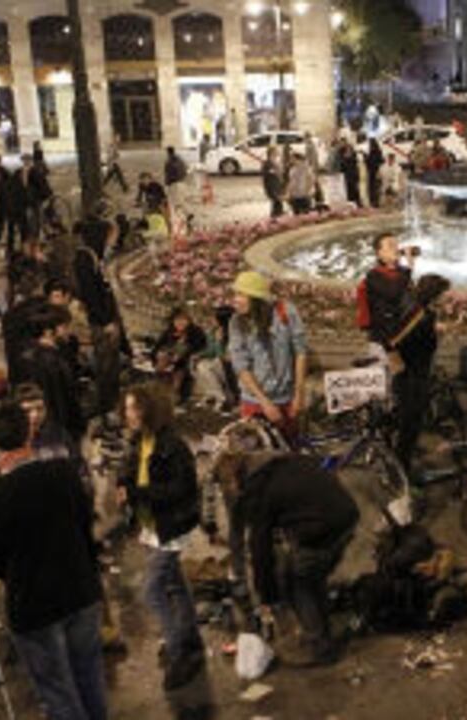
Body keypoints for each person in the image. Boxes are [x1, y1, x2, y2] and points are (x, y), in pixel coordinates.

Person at [0, 402, 107, 720]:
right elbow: (84, 521)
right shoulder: (63, 473)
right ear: (29, 433)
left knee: (57, 691)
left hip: (33, 604)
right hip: (81, 590)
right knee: (89, 677)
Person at [215, 447, 359, 667]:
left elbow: (259, 547)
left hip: (324, 529)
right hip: (347, 515)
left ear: (235, 478)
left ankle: (321, 649)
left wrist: (267, 595)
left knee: (295, 583)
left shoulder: (259, 491)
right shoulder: (284, 460)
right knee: (313, 577)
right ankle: (321, 629)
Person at [115, 383, 205, 691]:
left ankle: (179, 652)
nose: (128, 415)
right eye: (126, 408)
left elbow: (182, 490)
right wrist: (123, 483)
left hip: (172, 526)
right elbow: (135, 473)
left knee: (152, 590)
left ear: (149, 410)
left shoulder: (172, 445)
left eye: (134, 408)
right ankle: (189, 636)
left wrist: (137, 492)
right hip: (153, 525)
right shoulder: (142, 441)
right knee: (175, 583)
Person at [227, 271, 309, 437]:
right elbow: (241, 365)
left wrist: (299, 394)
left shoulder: (286, 312)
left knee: (290, 450)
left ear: (256, 299)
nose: (235, 299)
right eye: (235, 294)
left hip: (287, 397)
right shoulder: (236, 322)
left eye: (241, 294)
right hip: (254, 400)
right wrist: (264, 403)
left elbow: (301, 352)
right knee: (256, 455)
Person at [391, 275, 452, 473]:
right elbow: (396, 341)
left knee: (409, 424)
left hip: (413, 375)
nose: (445, 298)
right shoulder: (420, 316)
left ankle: (401, 461)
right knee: (409, 426)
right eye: (443, 294)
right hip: (412, 378)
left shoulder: (420, 311)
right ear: (433, 295)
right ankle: (402, 473)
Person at [73, 203, 124, 419]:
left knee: (111, 364)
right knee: (105, 366)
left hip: (104, 319)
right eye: (111, 236)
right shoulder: (86, 259)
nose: (113, 241)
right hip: (99, 322)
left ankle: (111, 404)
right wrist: (106, 322)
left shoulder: (95, 256)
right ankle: (105, 408)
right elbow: (91, 295)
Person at [12, 305, 85, 442]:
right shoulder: (50, 363)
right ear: (48, 332)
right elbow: (59, 402)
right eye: (64, 327)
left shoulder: (33, 355)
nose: (68, 331)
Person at [357, 233, 416, 355]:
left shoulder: (403, 272)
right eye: (390, 245)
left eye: (396, 244)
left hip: (404, 333)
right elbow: (393, 294)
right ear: (379, 253)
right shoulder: (373, 275)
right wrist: (410, 268)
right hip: (384, 337)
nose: (396, 248)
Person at [152, 307, 209, 402]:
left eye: (183, 320)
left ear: (188, 321)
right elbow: (156, 348)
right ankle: (159, 389)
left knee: (179, 368)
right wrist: (160, 354)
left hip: (184, 360)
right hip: (168, 358)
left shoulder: (195, 332)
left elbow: (197, 347)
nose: (180, 323)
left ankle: (175, 393)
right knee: (163, 359)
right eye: (177, 320)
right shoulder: (169, 332)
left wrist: (179, 356)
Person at [262, 149, 285, 218]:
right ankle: (275, 216)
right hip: (272, 186)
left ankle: (278, 214)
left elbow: (279, 172)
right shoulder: (267, 163)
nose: (277, 154)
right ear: (271, 154)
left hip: (277, 185)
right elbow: (266, 174)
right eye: (275, 153)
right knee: (276, 201)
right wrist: (274, 171)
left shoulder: (274, 162)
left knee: (278, 202)